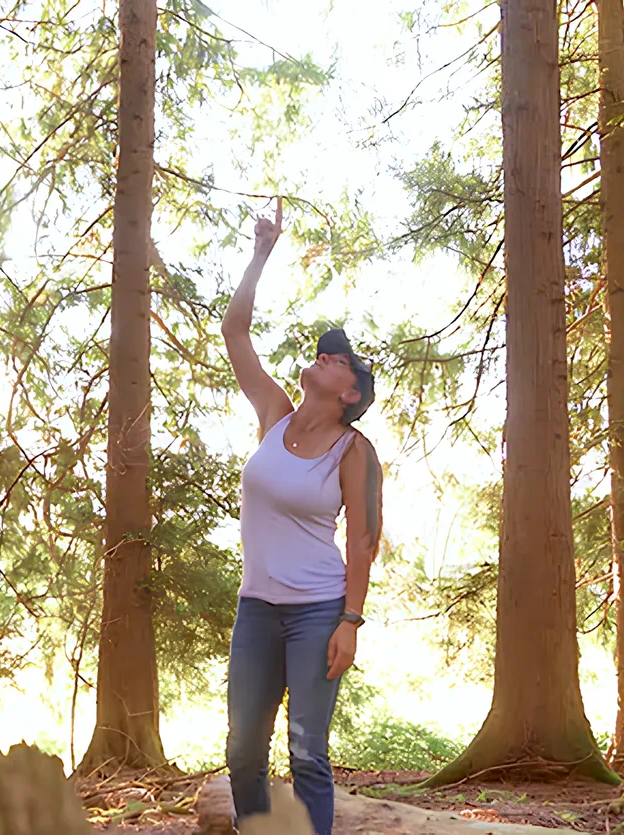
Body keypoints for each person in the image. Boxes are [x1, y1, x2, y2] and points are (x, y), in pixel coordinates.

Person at [218, 207, 383, 835]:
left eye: (338, 361)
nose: (325, 358)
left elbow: (363, 540)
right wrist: (260, 254)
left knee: (308, 752)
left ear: (351, 395)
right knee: (242, 753)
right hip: (256, 609)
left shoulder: (353, 451)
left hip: (318, 610)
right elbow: (235, 333)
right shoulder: (275, 414)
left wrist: (350, 620)